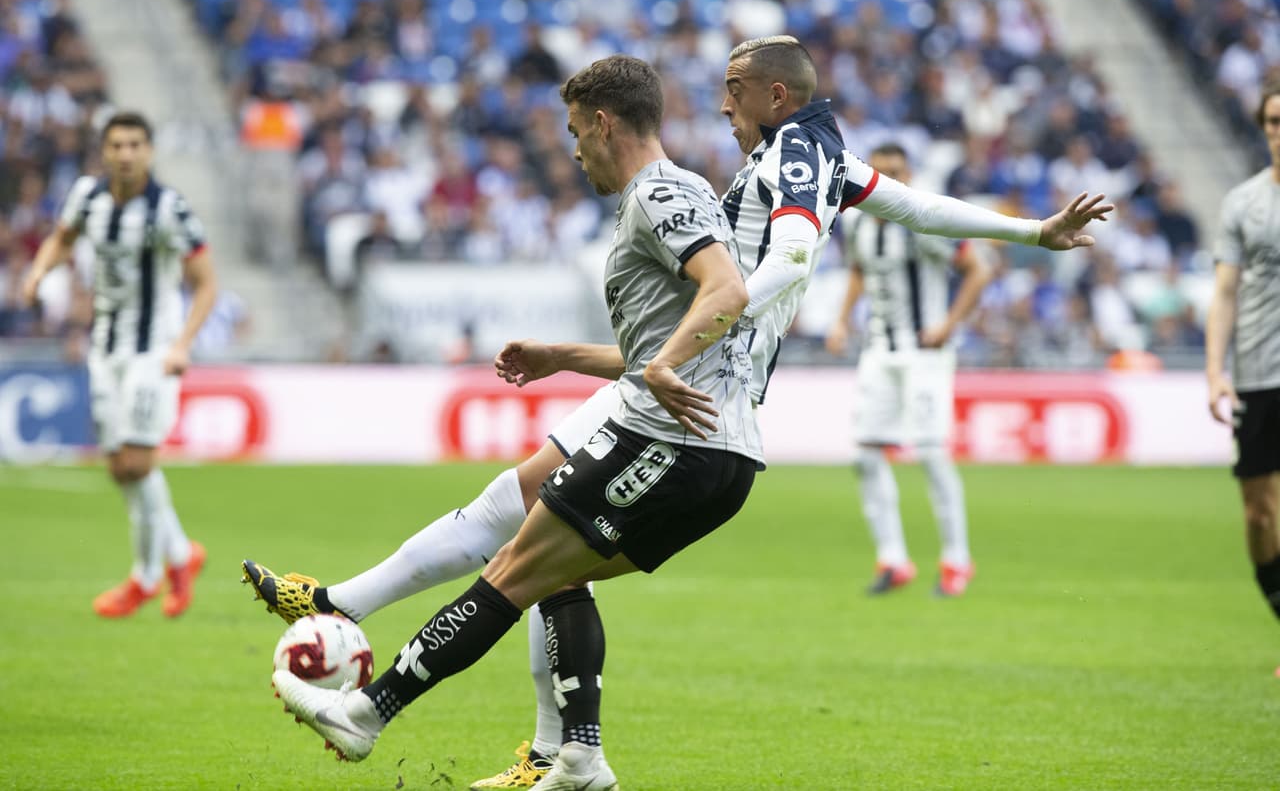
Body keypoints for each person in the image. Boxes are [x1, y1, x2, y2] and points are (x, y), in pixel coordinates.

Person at [247, 40, 1111, 788]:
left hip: (683, 416)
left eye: (734, 92)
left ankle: (368, 706)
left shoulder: (789, 155)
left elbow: (779, 264)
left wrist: (684, 345)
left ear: (775, 95)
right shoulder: (813, 156)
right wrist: (1033, 231)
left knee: (516, 561)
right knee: (533, 534)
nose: (723, 107)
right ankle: (568, 752)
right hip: (683, 401)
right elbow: (912, 205)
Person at [21, 110, 217, 617]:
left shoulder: (169, 208)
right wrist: (39, 272)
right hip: (105, 346)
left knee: (138, 461)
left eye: (134, 145)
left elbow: (205, 283)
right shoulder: (87, 197)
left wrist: (183, 344)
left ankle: (146, 576)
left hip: (155, 348)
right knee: (119, 468)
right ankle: (181, 554)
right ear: (104, 151)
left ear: (148, 151)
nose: (125, 154)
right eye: (116, 145)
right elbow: (62, 238)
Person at [825, 143, 992, 597]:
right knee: (865, 454)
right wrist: (842, 320)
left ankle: (957, 560)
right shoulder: (858, 220)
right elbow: (859, 271)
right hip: (879, 349)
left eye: (896, 172)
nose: (888, 180)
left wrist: (949, 325)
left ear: (909, 175)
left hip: (925, 353)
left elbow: (977, 270)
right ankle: (893, 559)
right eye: (880, 172)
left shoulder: (925, 222)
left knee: (932, 454)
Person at [1207, 80, 1280, 668]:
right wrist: (1214, 371)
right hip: (1257, 373)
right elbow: (1225, 292)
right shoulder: (1242, 203)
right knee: (1259, 515)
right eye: (1274, 122)